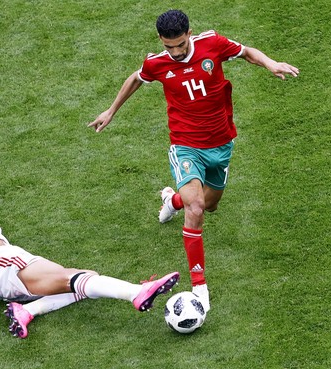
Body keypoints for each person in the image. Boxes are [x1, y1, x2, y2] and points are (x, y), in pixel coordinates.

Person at [0, 81, 179, 339]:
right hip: (1, 261)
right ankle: (137, 292)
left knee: (82, 278)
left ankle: (27, 311)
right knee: (73, 279)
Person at [88, 9, 299, 312]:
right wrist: (110, 111)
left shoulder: (213, 44)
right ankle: (199, 286)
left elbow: (246, 52)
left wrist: (270, 63)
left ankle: (172, 201)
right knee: (196, 207)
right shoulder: (157, 63)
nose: (174, 52)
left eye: (179, 45)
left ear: (189, 34)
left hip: (221, 142)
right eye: (167, 46)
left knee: (210, 205)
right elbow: (137, 78)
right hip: (186, 145)